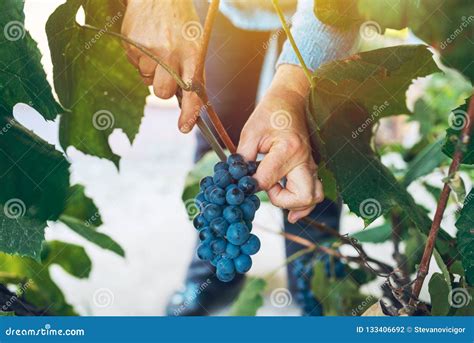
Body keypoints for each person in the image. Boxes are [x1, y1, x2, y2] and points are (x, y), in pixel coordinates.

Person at [122, 0, 356, 315]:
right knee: (219, 132)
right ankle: (215, 272)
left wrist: (291, 91)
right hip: (226, 8)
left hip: (319, 9)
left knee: (308, 137)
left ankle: (316, 275)